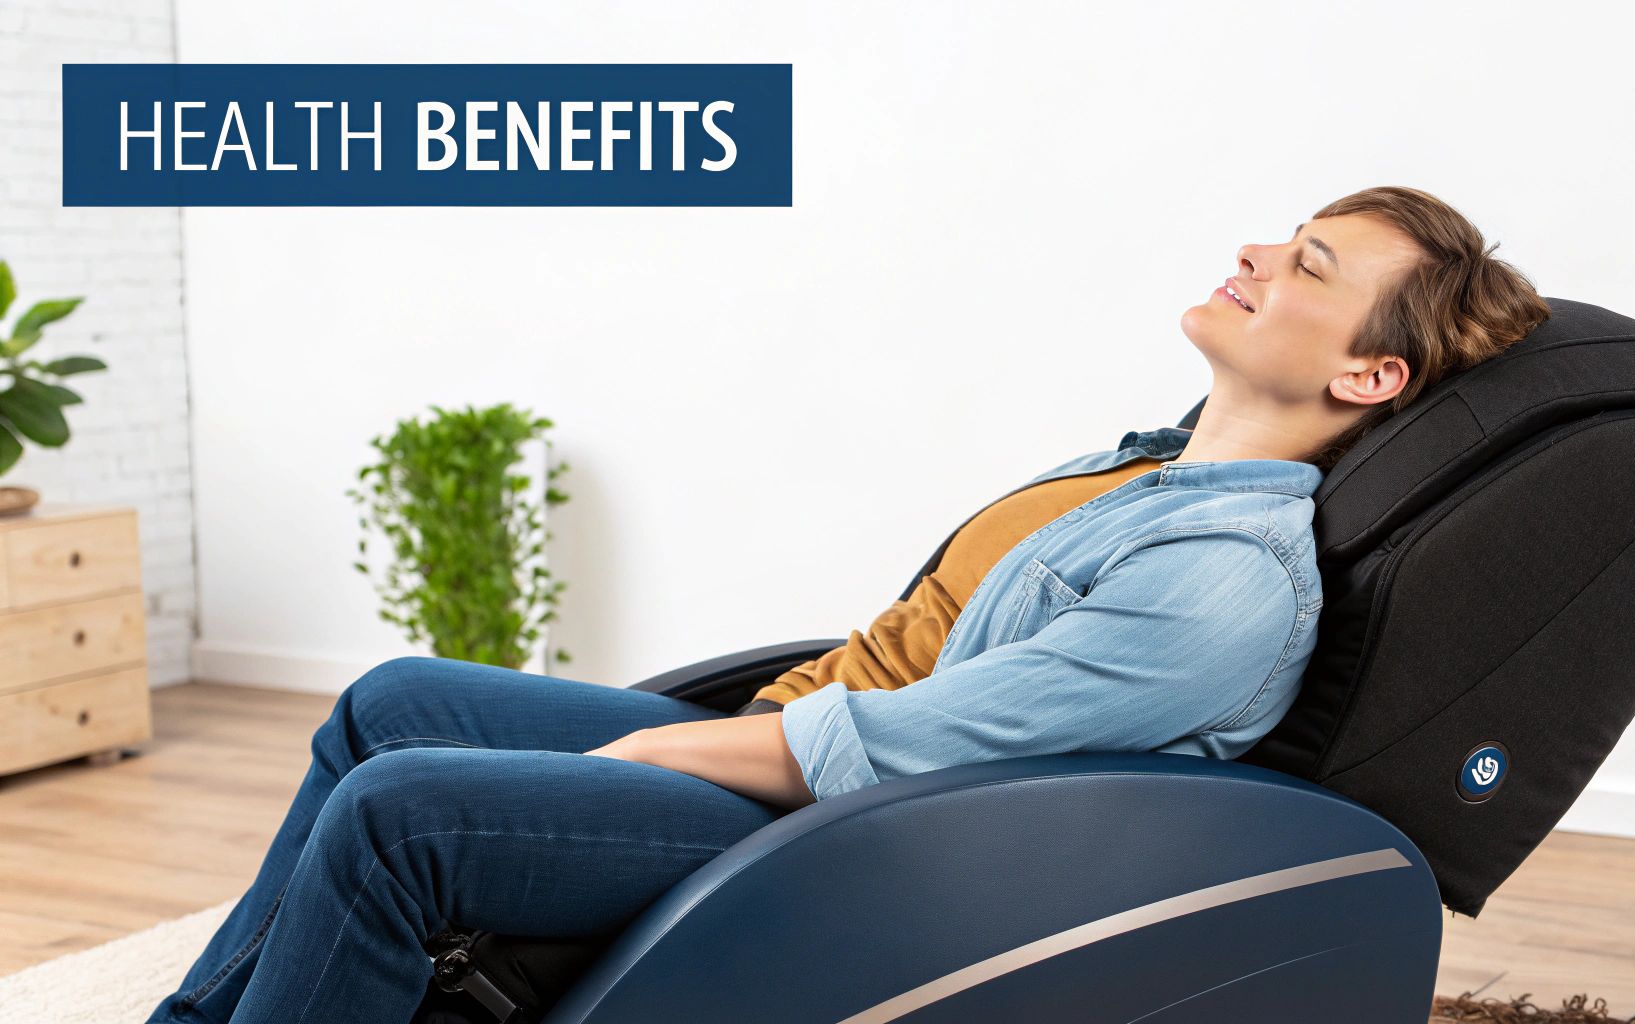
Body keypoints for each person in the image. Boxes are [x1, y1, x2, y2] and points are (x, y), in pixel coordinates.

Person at [143, 185, 1549, 1024]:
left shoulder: (1225, 580)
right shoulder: (1144, 472)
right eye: (1283, 234)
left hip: (849, 825)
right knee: (391, 702)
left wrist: (657, 748)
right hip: (801, 734)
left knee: (410, 812)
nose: (1255, 254)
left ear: (1369, 378)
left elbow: (918, 747)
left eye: (1308, 266)